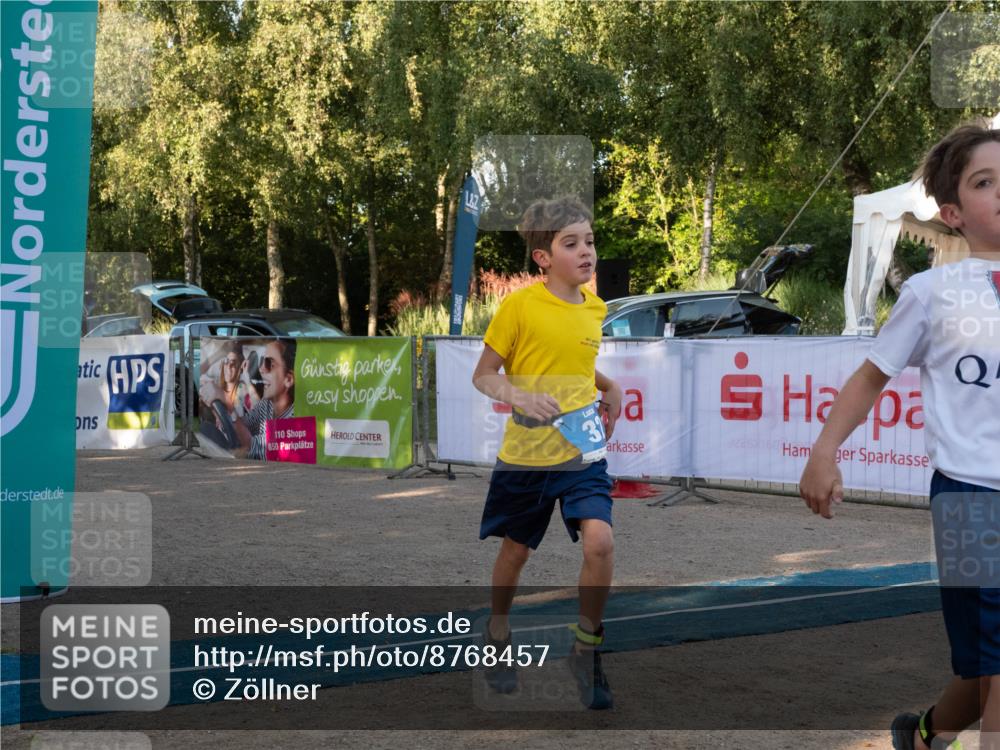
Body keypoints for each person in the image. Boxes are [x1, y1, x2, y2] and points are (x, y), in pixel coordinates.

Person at [799, 122, 1000, 750]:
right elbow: (868, 377)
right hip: (972, 503)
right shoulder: (930, 292)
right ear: (952, 213)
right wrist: (824, 453)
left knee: (982, 673)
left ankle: (920, 736)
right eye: (985, 182)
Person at [471, 196, 623, 709]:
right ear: (543, 257)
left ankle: (585, 650)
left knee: (599, 543)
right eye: (571, 243)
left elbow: (580, 363)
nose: (587, 252)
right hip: (527, 459)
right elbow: (484, 374)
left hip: (582, 452)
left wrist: (612, 388)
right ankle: (496, 635)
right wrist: (521, 395)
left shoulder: (596, 308)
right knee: (515, 553)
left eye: (590, 241)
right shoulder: (518, 307)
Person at [202, 338, 295, 460]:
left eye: (269, 364)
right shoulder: (267, 405)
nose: (261, 369)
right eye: (262, 362)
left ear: (288, 380)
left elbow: (252, 447)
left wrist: (229, 407)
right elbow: (246, 423)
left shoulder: (294, 419)